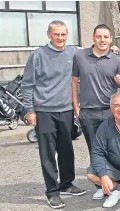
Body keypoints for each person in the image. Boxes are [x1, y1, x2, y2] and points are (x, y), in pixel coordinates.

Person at [22, 20, 86, 209]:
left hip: (66, 110)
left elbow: (92, 55)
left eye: (64, 34)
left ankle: (67, 183)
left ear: (68, 35)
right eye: (56, 34)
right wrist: (30, 110)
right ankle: (52, 191)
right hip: (44, 111)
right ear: (49, 35)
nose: (60, 38)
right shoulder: (38, 55)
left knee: (66, 149)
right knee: (48, 153)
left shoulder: (73, 53)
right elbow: (27, 85)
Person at [72, 24, 120, 157]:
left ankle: (114, 177)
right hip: (88, 113)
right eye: (99, 37)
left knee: (114, 150)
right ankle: (98, 176)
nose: (102, 40)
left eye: (105, 37)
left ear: (110, 39)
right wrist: (76, 109)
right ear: (93, 38)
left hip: (111, 112)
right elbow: (73, 83)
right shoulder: (80, 56)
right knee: (94, 151)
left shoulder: (118, 60)